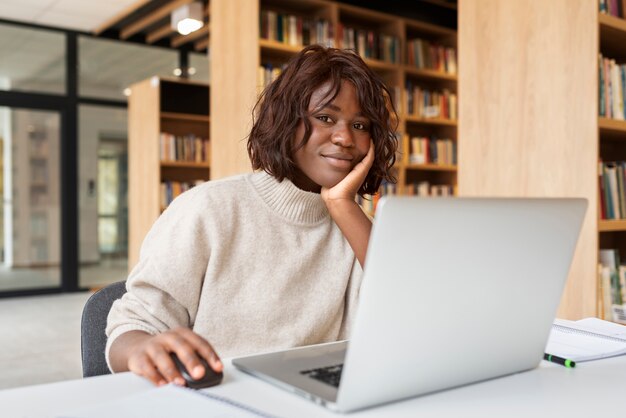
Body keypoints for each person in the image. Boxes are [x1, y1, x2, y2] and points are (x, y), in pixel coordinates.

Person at [106, 44, 398, 387]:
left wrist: (342, 206)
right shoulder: (208, 209)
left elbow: (404, 318)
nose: (345, 137)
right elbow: (131, 325)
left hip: (316, 401)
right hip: (222, 397)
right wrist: (144, 346)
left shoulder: (354, 226)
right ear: (286, 122)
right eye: (326, 118)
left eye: (361, 125)